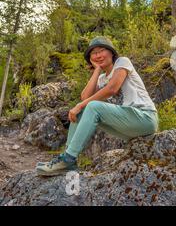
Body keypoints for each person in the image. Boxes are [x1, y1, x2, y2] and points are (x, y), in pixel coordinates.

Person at [36, 36, 158, 176]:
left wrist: (82, 104)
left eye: (101, 50)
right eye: (94, 53)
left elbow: (112, 88)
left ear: (111, 52)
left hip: (145, 118)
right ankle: (67, 159)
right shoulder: (102, 78)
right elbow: (85, 97)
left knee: (92, 106)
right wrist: (97, 71)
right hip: (129, 127)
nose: (98, 55)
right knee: (81, 111)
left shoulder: (122, 62)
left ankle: (68, 159)